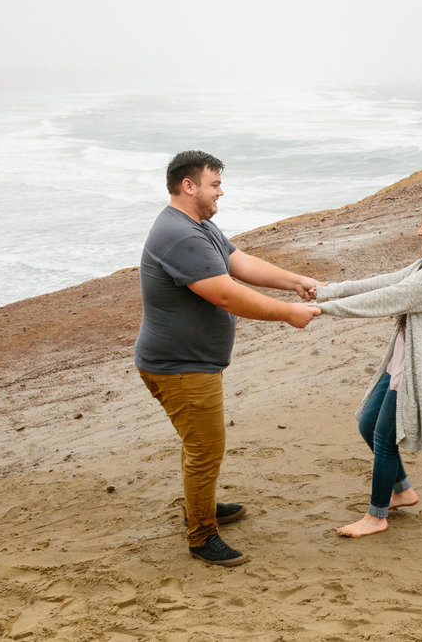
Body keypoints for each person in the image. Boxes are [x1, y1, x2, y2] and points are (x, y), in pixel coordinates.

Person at [135, 150, 322, 566]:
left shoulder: (198, 225)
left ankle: (199, 503)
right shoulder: (180, 234)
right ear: (189, 186)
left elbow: (241, 264)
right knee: (205, 447)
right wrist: (289, 314)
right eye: (214, 184)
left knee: (199, 444)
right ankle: (201, 536)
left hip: (186, 362)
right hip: (180, 367)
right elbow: (224, 293)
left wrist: (296, 282)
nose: (221, 191)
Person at [314, 203, 422, 537]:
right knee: (369, 424)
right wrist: (328, 291)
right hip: (401, 358)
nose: (419, 232)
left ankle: (377, 516)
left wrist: (325, 308)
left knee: (384, 437)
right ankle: (402, 491)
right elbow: (387, 281)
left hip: (416, 367)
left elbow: (389, 297)